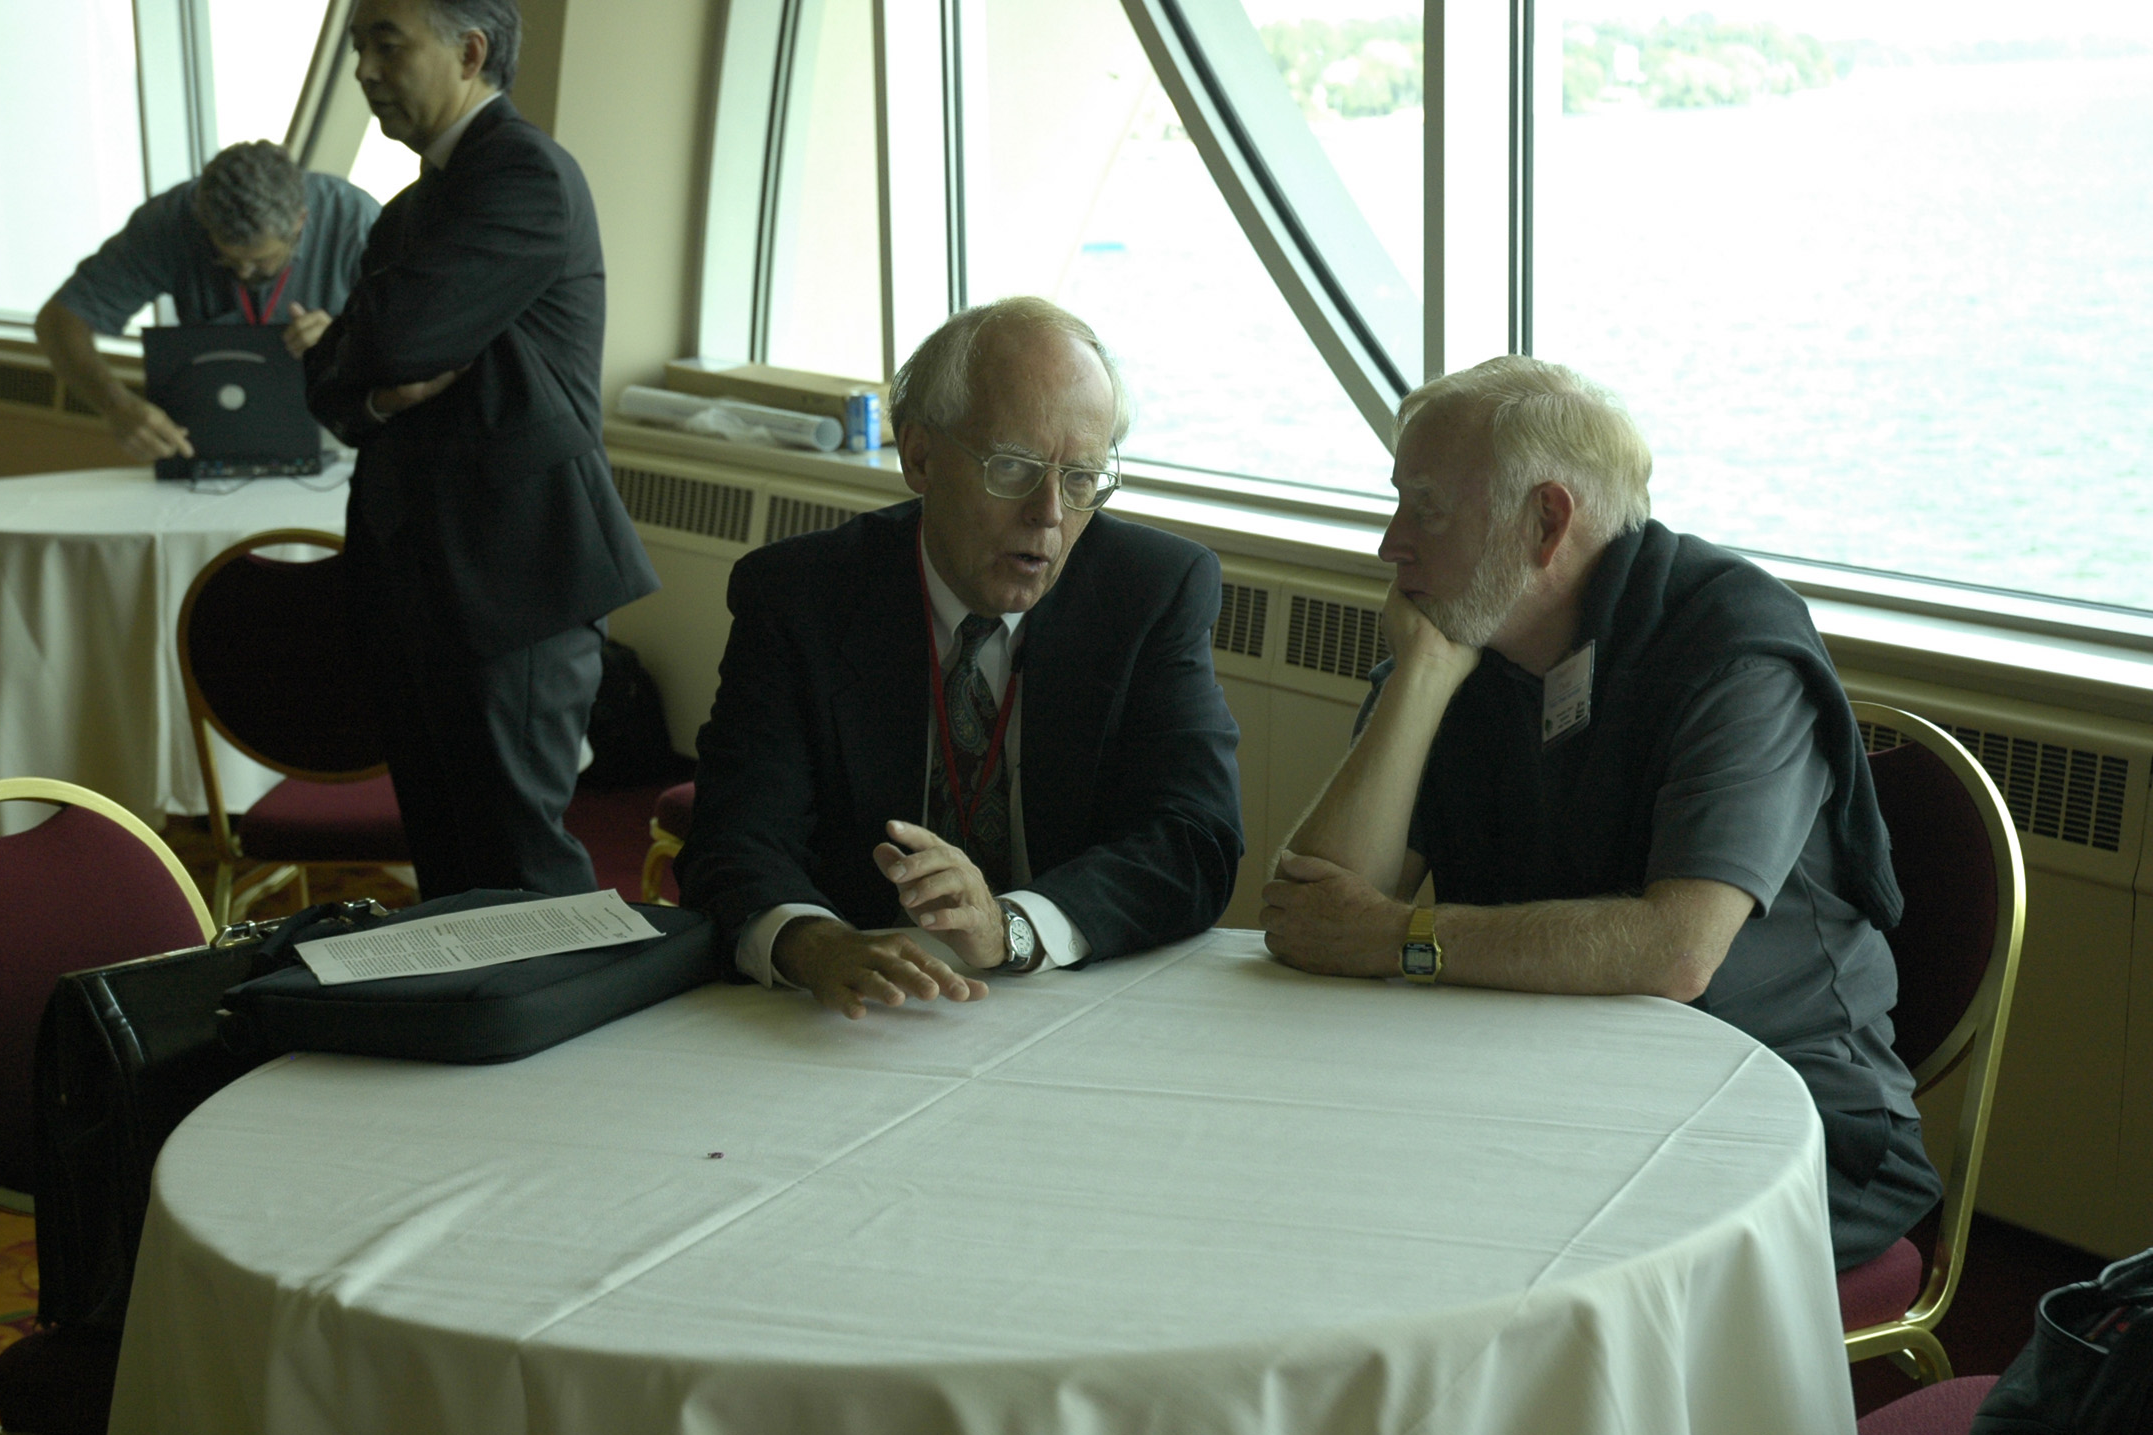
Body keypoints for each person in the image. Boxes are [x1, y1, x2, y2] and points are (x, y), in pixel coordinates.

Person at [1260, 355, 1942, 1269]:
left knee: (1458, 1250)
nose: (1391, 544)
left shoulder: (1732, 647)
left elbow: (1676, 952)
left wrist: (1398, 938)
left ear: (1546, 521)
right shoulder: (1469, 635)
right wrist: (1419, 678)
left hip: (1785, 1119)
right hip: (1543, 1082)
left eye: (1426, 508)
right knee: (1316, 1189)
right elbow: (1314, 911)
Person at [676, 297, 1245, 1019]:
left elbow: (1193, 839)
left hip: (1070, 995)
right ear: (919, 456)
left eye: (1080, 478)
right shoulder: (800, 595)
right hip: (861, 1012)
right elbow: (734, 836)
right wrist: (814, 943)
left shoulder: (1153, 589)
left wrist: (1010, 926)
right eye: (1013, 467)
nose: (1049, 513)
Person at [304, 0, 657, 899]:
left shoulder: (524, 172)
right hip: (417, 576)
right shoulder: (409, 210)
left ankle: (577, 996)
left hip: (516, 574)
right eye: (357, 46)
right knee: (448, 865)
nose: (364, 70)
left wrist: (370, 365)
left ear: (469, 52)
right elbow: (333, 382)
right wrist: (377, 386)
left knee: (519, 865)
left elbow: (392, 338)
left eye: (387, 44)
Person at [37, 140, 379, 463]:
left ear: (299, 222)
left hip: (339, 429)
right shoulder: (169, 221)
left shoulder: (356, 221)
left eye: (261, 261)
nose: (243, 272)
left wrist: (346, 339)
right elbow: (58, 321)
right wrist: (117, 407)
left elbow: (407, 346)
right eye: (227, 258)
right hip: (210, 436)